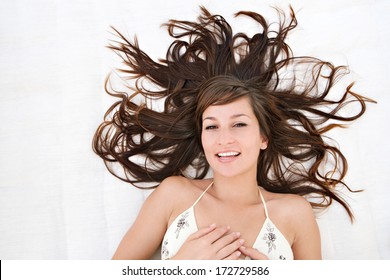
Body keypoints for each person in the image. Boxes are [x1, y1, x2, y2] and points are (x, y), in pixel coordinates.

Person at [93, 6, 375, 260]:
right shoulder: (173, 195)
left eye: (239, 124)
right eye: (212, 126)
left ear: (264, 137)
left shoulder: (295, 213)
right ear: (202, 139)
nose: (223, 139)